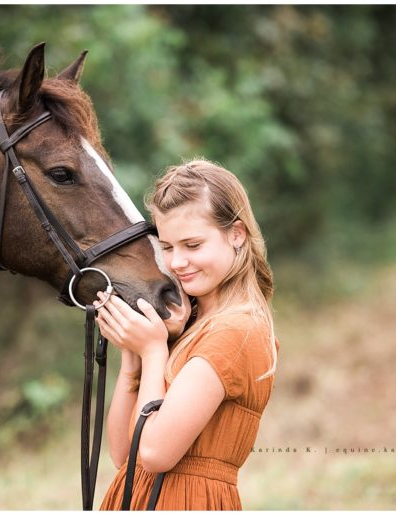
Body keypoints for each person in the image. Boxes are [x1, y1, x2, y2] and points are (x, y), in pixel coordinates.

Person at [95, 159, 279, 510]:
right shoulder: (191, 323)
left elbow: (153, 452)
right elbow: (125, 455)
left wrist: (152, 354)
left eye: (192, 245)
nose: (177, 262)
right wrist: (134, 356)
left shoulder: (235, 332)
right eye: (167, 247)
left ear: (236, 234)